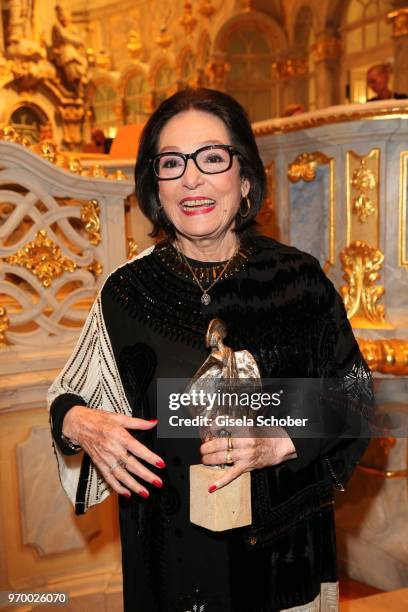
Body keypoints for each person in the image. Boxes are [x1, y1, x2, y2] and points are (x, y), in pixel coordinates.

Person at [48, 88, 373, 612]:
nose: (192, 178)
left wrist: (279, 443)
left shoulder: (299, 281)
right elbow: (66, 397)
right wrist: (81, 423)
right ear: (156, 186)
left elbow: (354, 395)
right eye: (172, 163)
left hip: (283, 563)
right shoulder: (126, 292)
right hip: (168, 561)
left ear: (244, 179)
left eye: (212, 158)